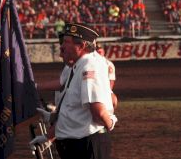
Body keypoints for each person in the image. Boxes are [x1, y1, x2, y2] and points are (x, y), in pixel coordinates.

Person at [31, 23, 117, 159]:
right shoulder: (77, 66)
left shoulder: (90, 66)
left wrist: (110, 123)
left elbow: (98, 111)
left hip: (86, 144)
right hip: (76, 143)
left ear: (81, 46)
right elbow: (72, 109)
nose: (62, 46)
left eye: (66, 42)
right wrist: (49, 133)